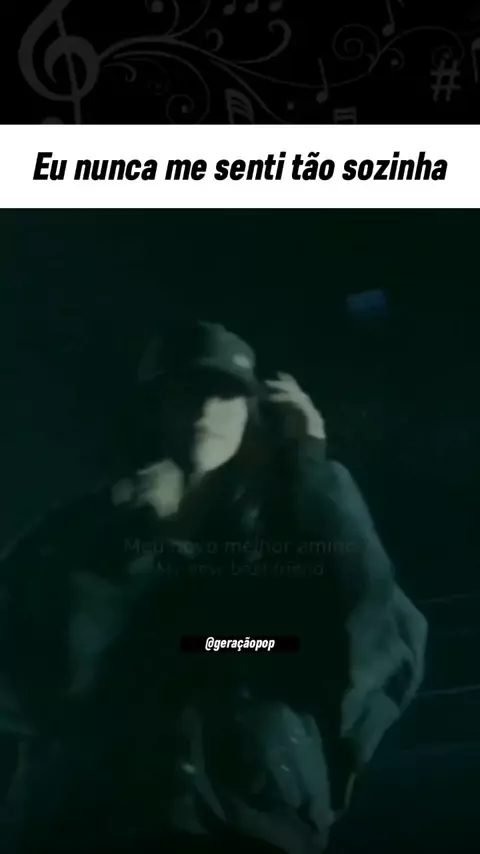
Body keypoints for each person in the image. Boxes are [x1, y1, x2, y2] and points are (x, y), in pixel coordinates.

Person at [0, 320, 428, 854]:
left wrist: (311, 465)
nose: (204, 411)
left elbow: (363, 642)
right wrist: (129, 540)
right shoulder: (77, 532)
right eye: (184, 393)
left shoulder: (291, 530)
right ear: (152, 409)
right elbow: (33, 665)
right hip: (85, 825)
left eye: (224, 394)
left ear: (253, 413)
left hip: (245, 827)